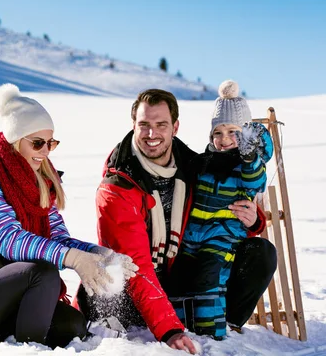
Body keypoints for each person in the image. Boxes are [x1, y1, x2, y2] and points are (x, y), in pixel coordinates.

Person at [0, 83, 138, 348]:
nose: (46, 151)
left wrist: (99, 255)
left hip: (9, 297)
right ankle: (28, 350)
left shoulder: (40, 182)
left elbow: (59, 240)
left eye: (51, 143)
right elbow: (9, 240)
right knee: (43, 273)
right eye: (38, 143)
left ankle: (16, 337)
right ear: (16, 139)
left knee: (72, 325)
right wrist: (74, 259)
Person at [74, 87, 277, 353]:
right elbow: (136, 266)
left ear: (175, 127)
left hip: (174, 275)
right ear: (133, 125)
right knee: (117, 278)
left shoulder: (190, 164)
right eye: (144, 124)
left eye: (161, 124)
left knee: (260, 254)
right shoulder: (117, 188)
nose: (152, 134)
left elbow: (216, 206)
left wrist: (253, 221)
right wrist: (169, 330)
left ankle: (218, 327)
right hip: (131, 287)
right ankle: (158, 326)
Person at [168, 80, 274, 340]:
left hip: (222, 236)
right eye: (218, 132)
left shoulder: (245, 165)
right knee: (180, 278)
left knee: (210, 278)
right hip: (191, 236)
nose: (224, 139)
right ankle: (181, 330)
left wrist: (249, 157)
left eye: (233, 132)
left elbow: (256, 180)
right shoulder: (203, 162)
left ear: (246, 137)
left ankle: (211, 335)